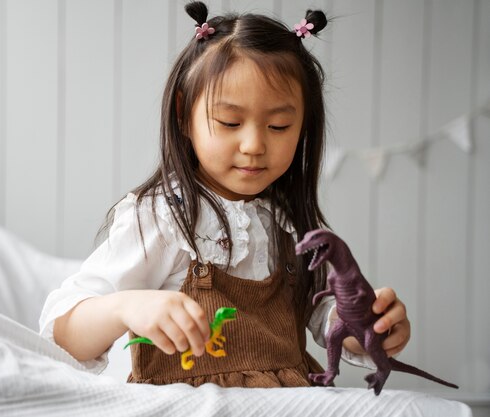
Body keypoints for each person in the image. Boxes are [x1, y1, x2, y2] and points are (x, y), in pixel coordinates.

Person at [40, 1, 411, 388]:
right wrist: (126, 307)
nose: (253, 144)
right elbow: (64, 332)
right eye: (231, 122)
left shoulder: (290, 226)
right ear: (184, 115)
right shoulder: (165, 217)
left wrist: (369, 327)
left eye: (280, 126)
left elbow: (324, 319)